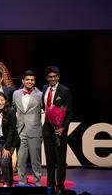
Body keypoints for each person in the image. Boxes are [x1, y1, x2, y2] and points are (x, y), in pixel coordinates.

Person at [42, 66, 73, 195]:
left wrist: (63, 128)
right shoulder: (44, 88)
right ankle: (50, 184)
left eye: (55, 76)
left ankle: (60, 186)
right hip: (47, 128)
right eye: (50, 77)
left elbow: (69, 112)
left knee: (60, 160)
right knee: (49, 159)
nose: (52, 79)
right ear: (47, 78)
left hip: (59, 130)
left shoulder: (65, 90)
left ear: (58, 77)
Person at [12, 70, 43, 186]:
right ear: (23, 81)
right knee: (20, 160)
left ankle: (38, 184)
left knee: (36, 161)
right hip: (20, 130)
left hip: (34, 130)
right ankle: (21, 183)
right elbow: (13, 109)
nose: (30, 82)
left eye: (32, 80)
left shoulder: (39, 95)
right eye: (28, 79)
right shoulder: (16, 94)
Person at [0, 92, 18, 187]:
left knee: (4, 161)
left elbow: (11, 131)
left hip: (10, 141)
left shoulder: (11, 111)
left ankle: (6, 184)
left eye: (2, 100)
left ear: (5, 101)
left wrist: (7, 148)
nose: (0, 103)